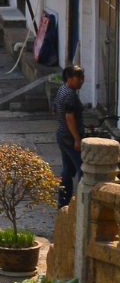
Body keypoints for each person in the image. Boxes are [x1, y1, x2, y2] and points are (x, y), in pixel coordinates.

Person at [54, 65, 86, 208]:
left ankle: (63, 201)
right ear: (71, 78)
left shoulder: (62, 90)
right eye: (79, 78)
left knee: (67, 170)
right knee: (83, 169)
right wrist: (77, 139)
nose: (82, 81)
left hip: (62, 135)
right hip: (70, 138)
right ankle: (81, 202)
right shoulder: (70, 95)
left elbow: (56, 111)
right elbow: (69, 118)